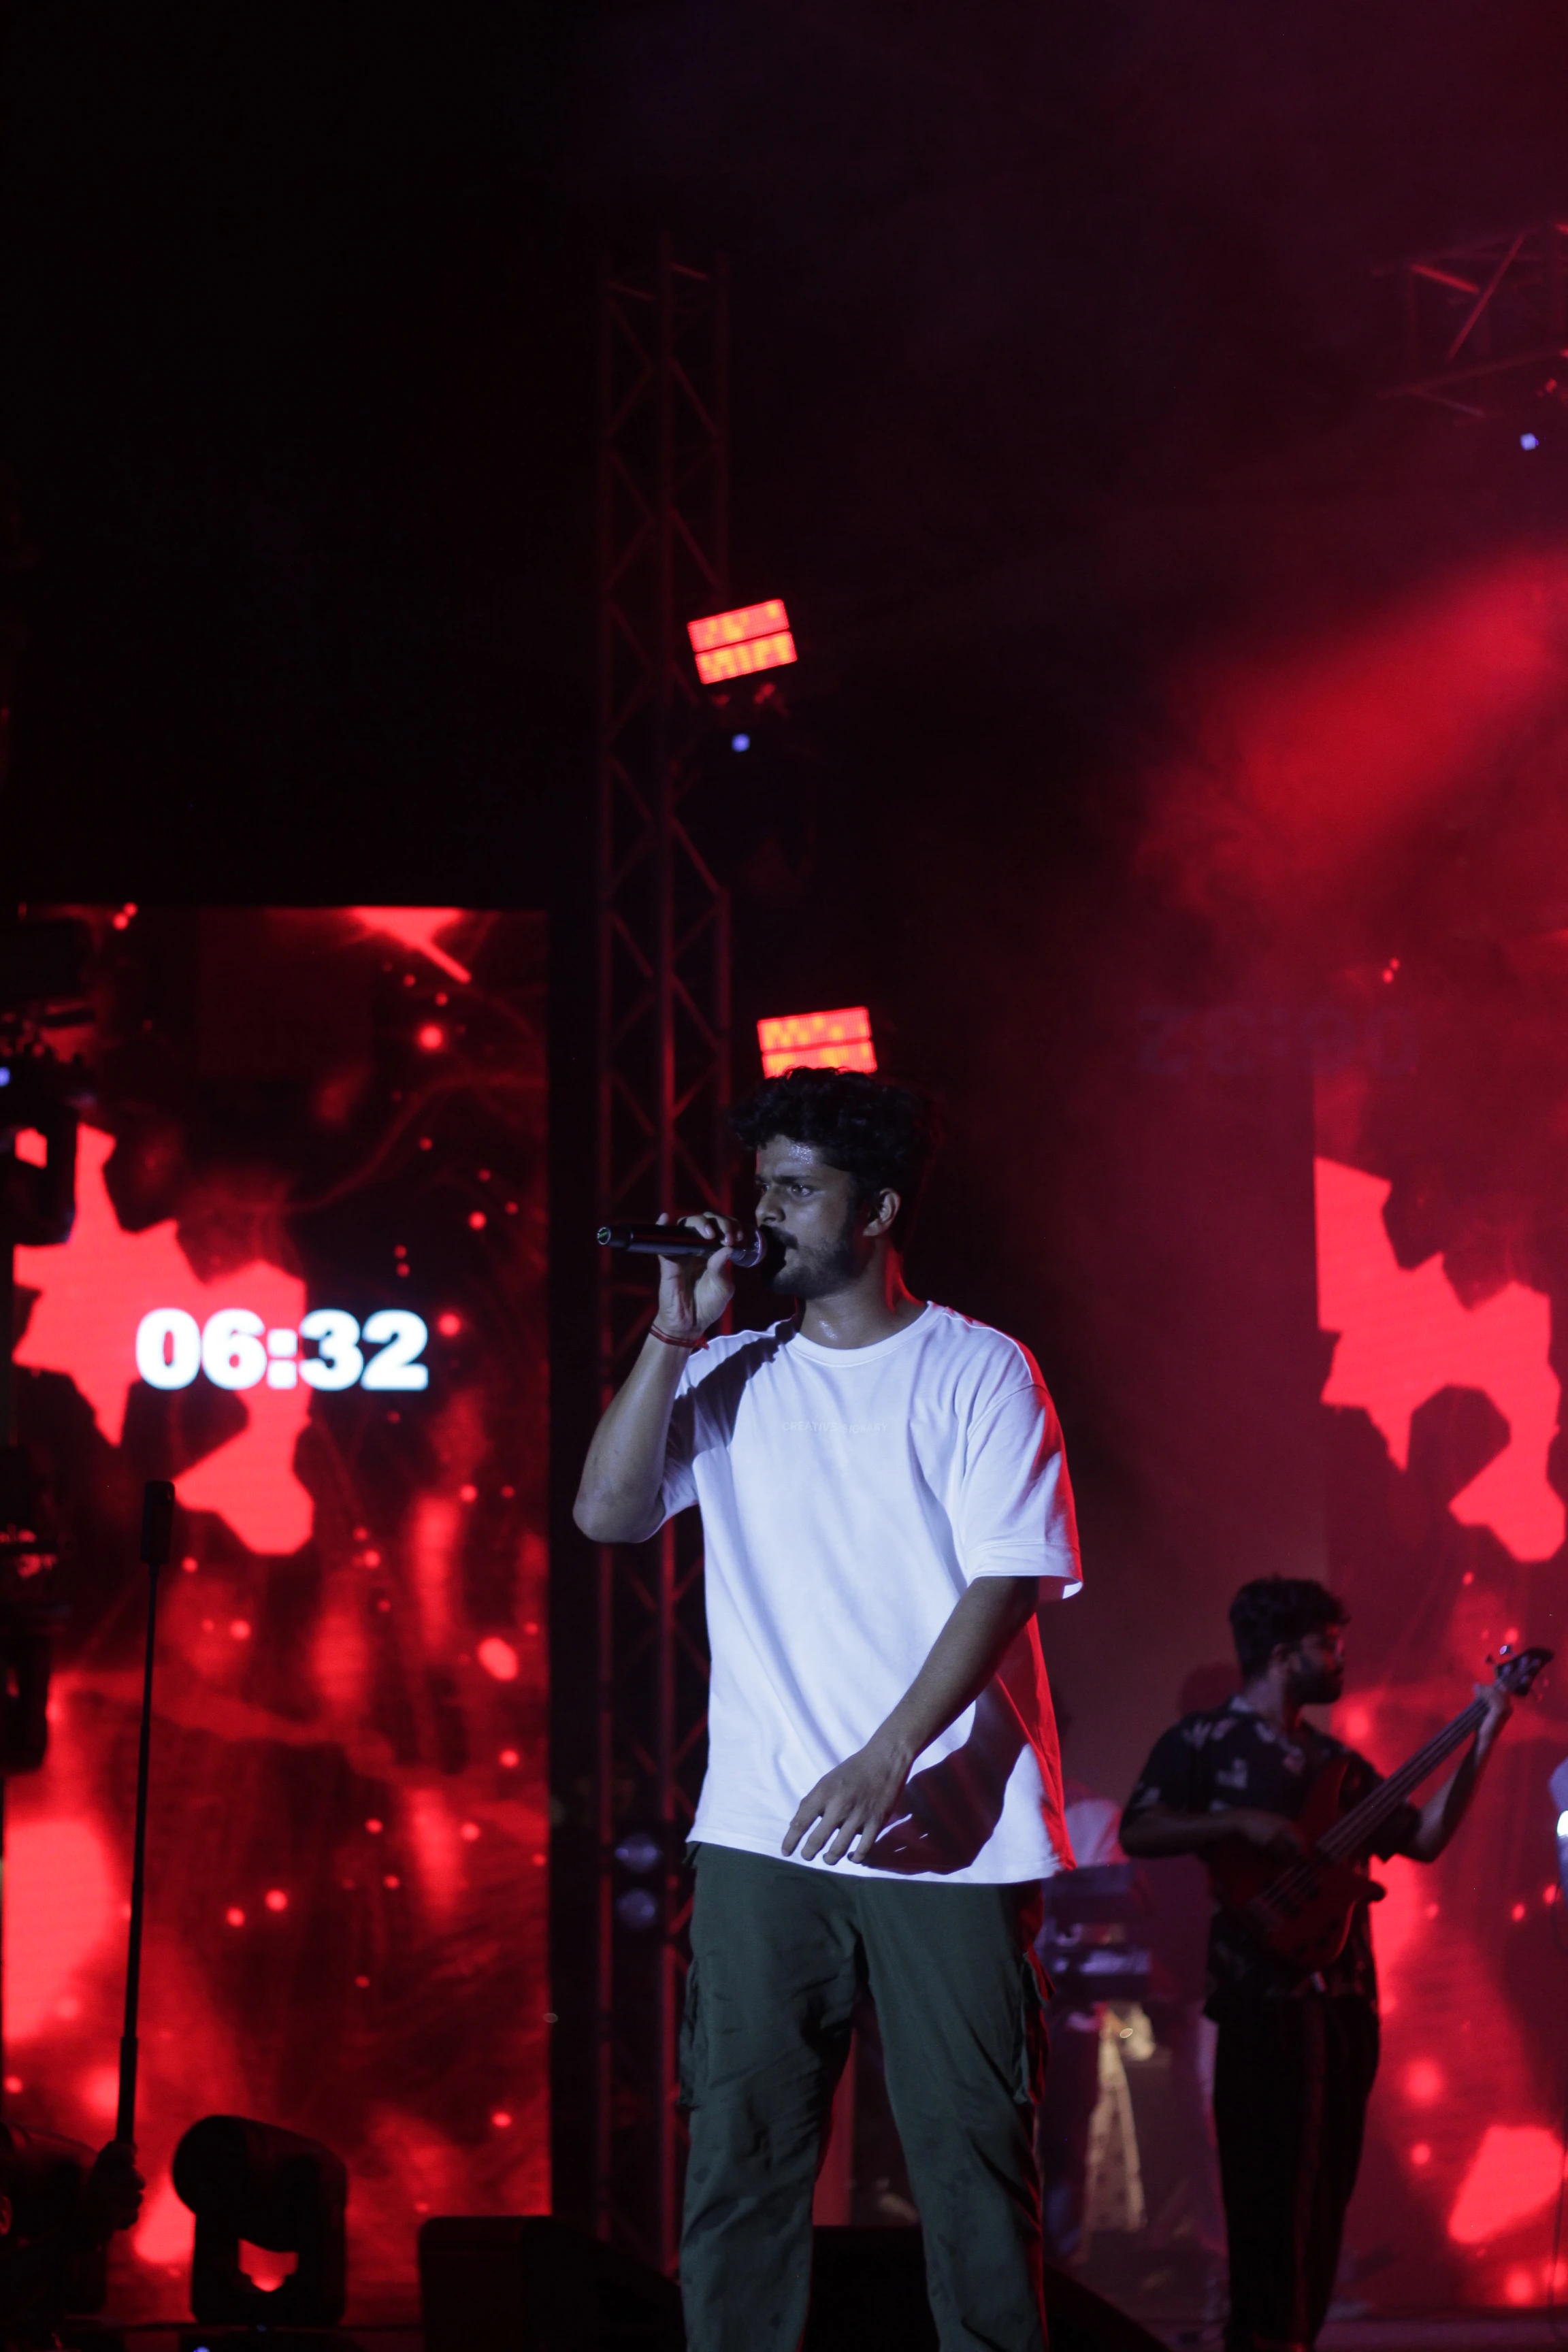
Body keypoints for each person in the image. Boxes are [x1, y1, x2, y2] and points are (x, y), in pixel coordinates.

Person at [575, 1067, 1082, 2352]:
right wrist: (671, 1336)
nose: (766, 1214)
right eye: (763, 1187)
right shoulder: (732, 1371)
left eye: (798, 1190)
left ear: (879, 1210)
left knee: (972, 2168)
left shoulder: (978, 1368)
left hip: (949, 1834)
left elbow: (1007, 1580)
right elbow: (606, 1513)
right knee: (739, 2159)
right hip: (763, 1830)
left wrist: (886, 1755)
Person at [1118, 1577, 1513, 2352]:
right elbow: (1140, 1827)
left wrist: (1486, 1734)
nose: (1340, 1658)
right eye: (1327, 1645)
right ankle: (1261, 2333)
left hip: (1345, 1996)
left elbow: (1424, 1838)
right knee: (1265, 2174)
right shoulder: (1202, 1741)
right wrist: (1239, 1822)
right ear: (1280, 1655)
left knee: (1327, 2181)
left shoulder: (1338, 1761)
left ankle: (1292, 2331)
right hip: (1259, 1993)